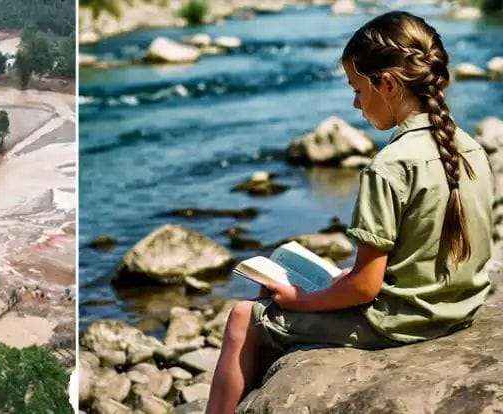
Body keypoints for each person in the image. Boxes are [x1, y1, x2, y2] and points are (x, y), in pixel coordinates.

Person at [206, 11, 494, 413]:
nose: (355, 102)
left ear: (387, 84)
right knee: (315, 280)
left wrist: (296, 301)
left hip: (404, 322)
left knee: (243, 317)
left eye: (357, 88)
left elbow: (365, 289)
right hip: (459, 308)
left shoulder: (389, 166)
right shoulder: (470, 148)